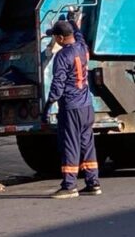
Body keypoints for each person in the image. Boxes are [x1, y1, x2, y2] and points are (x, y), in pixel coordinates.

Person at [44, 18, 101, 199]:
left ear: (60, 38)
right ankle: (93, 183)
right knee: (87, 144)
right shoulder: (83, 48)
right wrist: (74, 22)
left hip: (71, 107)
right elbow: (79, 35)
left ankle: (69, 186)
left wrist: (48, 105)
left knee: (70, 145)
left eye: (55, 37)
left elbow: (58, 84)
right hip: (86, 106)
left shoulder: (62, 56)